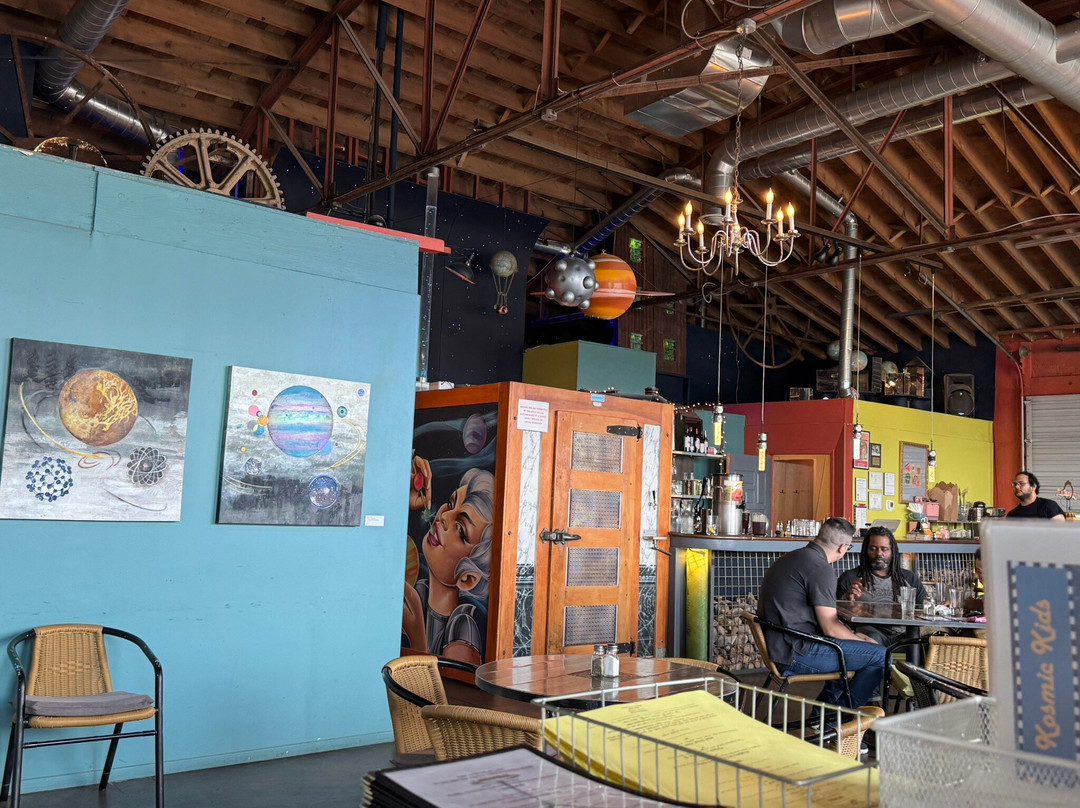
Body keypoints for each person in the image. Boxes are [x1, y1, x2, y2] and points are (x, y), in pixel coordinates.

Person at [757, 517, 886, 708]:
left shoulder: (792, 558)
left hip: (781, 647)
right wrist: (861, 641)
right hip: (797, 653)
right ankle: (838, 718)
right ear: (842, 548)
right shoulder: (820, 568)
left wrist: (855, 638)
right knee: (881, 655)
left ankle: (825, 714)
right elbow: (830, 628)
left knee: (858, 650)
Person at [402, 457, 493, 665]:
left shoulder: (463, 624)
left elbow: (449, 687)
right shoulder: (420, 591)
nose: (444, 517)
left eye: (460, 528)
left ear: (468, 578)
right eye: (451, 504)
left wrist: (418, 640)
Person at [836, 526, 926, 646]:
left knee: (924, 638)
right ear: (865, 550)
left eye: (884, 549)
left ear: (892, 551)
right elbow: (833, 615)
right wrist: (847, 600)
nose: (879, 553)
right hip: (869, 634)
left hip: (904, 634)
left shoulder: (909, 578)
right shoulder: (850, 578)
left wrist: (941, 607)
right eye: (873, 548)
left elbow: (924, 608)